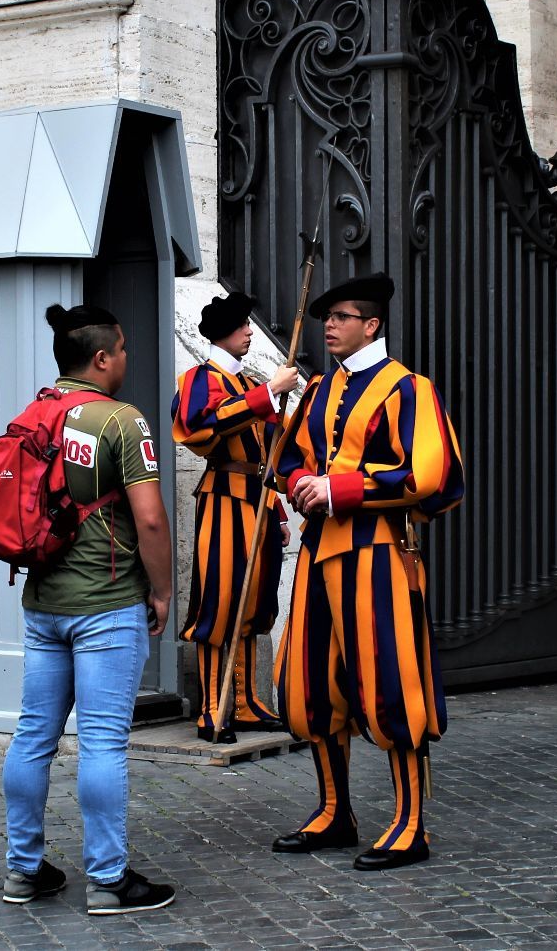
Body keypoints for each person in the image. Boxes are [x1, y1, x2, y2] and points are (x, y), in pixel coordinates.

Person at [269, 272, 464, 871]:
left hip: (378, 553)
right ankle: (335, 812)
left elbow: (432, 476)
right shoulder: (320, 389)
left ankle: (411, 825)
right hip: (319, 551)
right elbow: (290, 456)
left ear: (372, 324)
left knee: (391, 686)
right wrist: (300, 481)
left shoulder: (411, 390)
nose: (329, 324)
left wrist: (342, 489)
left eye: (343, 316)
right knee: (310, 685)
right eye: (327, 316)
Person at [1, 303, 176, 915]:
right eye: (123, 348)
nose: (127, 358)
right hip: (105, 605)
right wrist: (161, 590)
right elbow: (150, 517)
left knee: (33, 737)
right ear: (102, 358)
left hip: (43, 601)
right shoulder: (120, 421)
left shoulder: (35, 413)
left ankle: (23, 870)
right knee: (102, 741)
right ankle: (108, 879)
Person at [171, 291, 298, 743]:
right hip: (224, 500)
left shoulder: (247, 383)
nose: (250, 331)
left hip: (258, 503)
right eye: (244, 324)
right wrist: (268, 394)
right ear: (223, 332)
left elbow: (266, 454)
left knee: (254, 605)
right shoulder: (199, 379)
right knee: (220, 603)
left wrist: (279, 510)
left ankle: (243, 702)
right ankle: (212, 707)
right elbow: (200, 427)